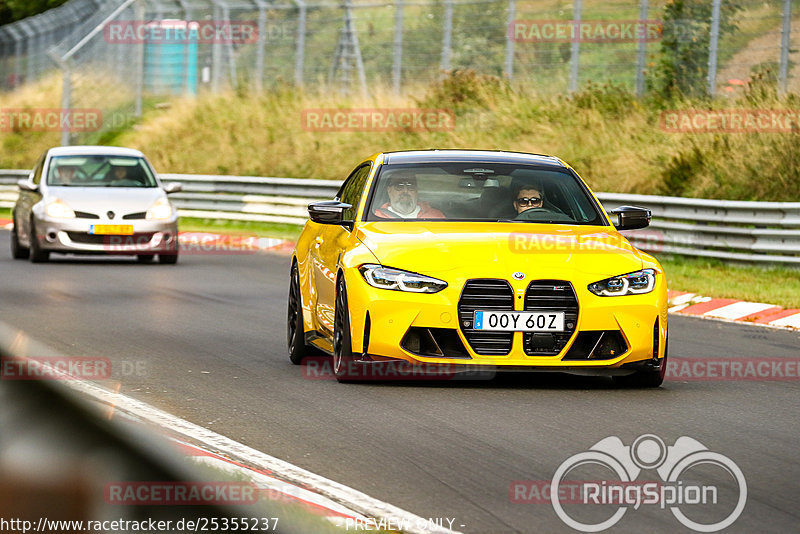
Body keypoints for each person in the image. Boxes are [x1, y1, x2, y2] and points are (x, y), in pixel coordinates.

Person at [374, 172, 445, 219]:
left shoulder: (436, 216)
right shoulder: (376, 217)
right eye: (399, 186)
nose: (405, 191)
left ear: (416, 191)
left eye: (411, 187)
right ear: (389, 190)